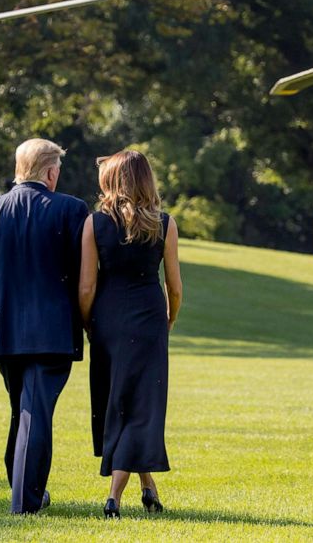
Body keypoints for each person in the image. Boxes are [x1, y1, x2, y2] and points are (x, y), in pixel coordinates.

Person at [0, 138, 89, 514]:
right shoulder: (72, 210)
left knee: (24, 409)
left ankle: (22, 487)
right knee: (34, 411)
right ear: (50, 172)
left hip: (5, 333)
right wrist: (93, 323)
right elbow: (85, 277)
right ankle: (25, 501)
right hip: (54, 332)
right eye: (57, 171)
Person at [79, 149, 182, 518]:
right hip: (149, 319)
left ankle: (146, 488)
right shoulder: (165, 224)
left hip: (108, 321)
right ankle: (114, 498)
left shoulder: (94, 224)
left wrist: (89, 322)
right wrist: (169, 318)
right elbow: (175, 286)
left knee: (119, 401)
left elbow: (86, 288)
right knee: (142, 407)